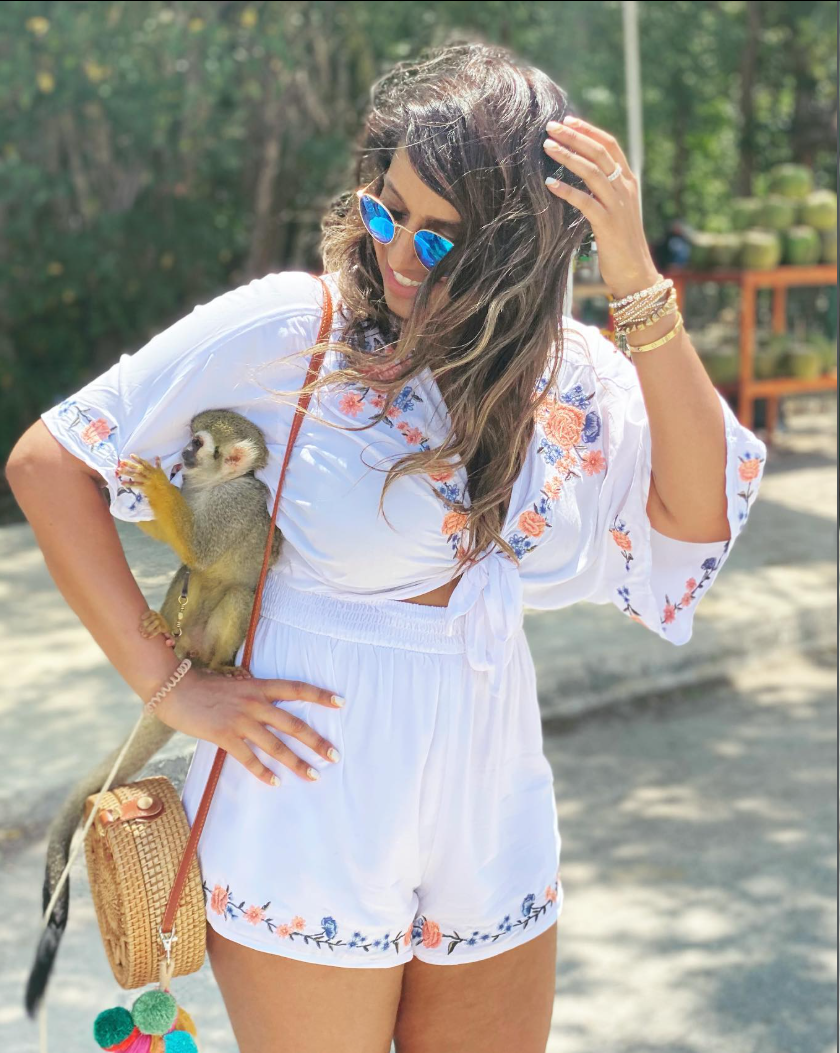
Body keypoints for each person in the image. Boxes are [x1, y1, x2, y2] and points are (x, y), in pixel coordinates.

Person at [7, 43, 767, 1053]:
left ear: (523, 246)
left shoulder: (567, 375)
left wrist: (634, 280)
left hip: (491, 803)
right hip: (309, 798)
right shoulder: (296, 330)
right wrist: (171, 689)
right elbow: (50, 462)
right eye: (386, 211)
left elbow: (697, 514)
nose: (401, 253)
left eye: (442, 237)